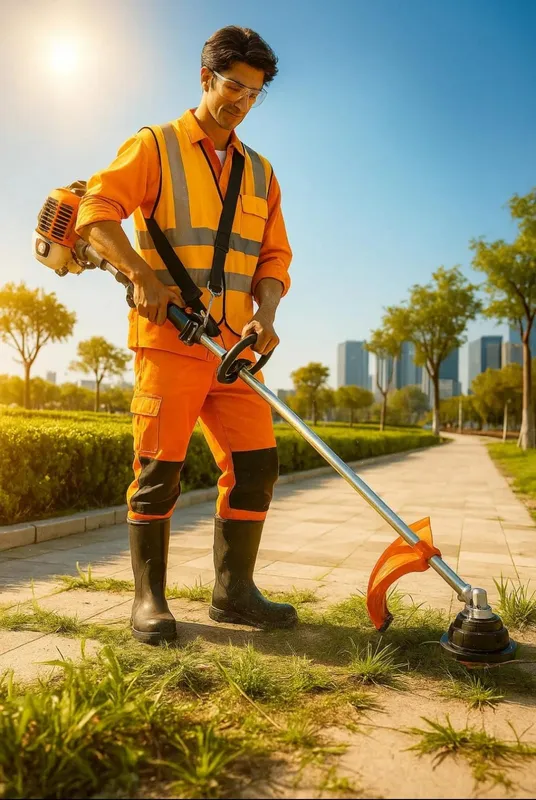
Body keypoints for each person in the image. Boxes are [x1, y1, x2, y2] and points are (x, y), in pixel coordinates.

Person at [75, 25, 297, 644]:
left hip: (235, 352)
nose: (242, 102)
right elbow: (96, 213)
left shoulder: (262, 172)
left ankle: (235, 593)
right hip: (171, 343)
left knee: (257, 468)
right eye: (233, 87)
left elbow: (273, 259)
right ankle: (149, 600)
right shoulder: (156, 146)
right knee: (157, 472)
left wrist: (268, 314)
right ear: (205, 79)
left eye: (254, 93)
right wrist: (141, 275)